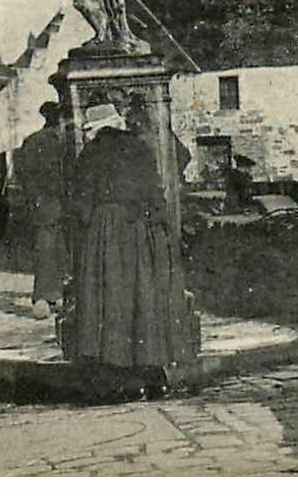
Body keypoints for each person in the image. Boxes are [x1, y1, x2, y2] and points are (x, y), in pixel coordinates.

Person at [69, 103, 194, 398]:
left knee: (110, 301)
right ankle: (152, 374)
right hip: (141, 228)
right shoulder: (140, 148)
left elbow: (82, 200)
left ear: (96, 129)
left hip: (107, 230)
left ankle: (116, 377)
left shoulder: (91, 154)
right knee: (143, 298)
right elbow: (155, 191)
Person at [15, 101, 72, 318]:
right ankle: (45, 297)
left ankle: (49, 296)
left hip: (39, 203)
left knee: (47, 249)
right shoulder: (61, 142)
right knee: (54, 248)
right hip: (56, 202)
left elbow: (22, 174)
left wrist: (33, 198)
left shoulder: (31, 141)